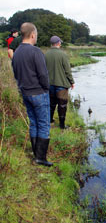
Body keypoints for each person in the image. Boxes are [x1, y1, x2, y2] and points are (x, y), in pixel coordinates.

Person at [11, 22, 53, 167]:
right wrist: (46, 88)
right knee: (43, 124)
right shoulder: (36, 52)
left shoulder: (16, 53)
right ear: (33, 35)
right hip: (39, 93)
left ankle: (36, 154)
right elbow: (43, 75)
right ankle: (41, 158)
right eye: (36, 35)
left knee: (34, 123)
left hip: (25, 92)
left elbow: (16, 74)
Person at [45, 35, 74, 129]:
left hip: (49, 84)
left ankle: (50, 121)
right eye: (60, 42)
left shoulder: (45, 54)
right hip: (61, 84)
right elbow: (67, 70)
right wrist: (72, 82)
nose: (61, 43)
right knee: (62, 105)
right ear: (58, 43)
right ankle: (62, 126)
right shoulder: (63, 54)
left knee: (51, 104)